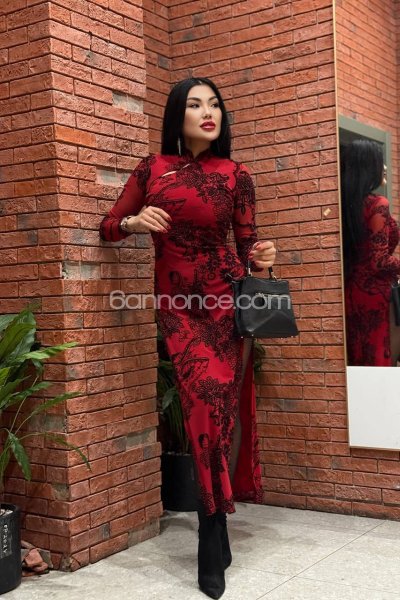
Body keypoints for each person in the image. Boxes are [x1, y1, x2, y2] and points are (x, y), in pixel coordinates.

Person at [99, 77, 276, 599]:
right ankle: (212, 525)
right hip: (178, 308)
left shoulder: (237, 175)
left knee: (217, 412)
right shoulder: (152, 169)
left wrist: (263, 259)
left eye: (214, 104)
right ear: (177, 114)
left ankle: (212, 528)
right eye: (195, 104)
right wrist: (134, 223)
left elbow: (248, 249)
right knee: (201, 407)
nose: (207, 112)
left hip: (224, 305)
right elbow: (108, 225)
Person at [341, 139, 400, 366]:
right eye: (380, 161)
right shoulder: (378, 203)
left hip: (350, 291)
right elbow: (379, 261)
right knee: (376, 360)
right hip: (375, 294)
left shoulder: (345, 204)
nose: (384, 167)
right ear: (367, 165)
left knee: (357, 360)